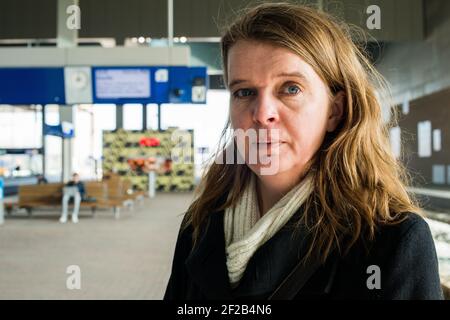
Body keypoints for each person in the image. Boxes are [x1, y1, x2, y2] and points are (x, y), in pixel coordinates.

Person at [164, 3, 444, 300]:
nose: (262, 113)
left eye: (290, 88)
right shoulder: (201, 224)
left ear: (334, 112)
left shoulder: (389, 242)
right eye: (244, 92)